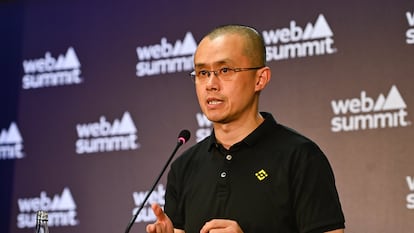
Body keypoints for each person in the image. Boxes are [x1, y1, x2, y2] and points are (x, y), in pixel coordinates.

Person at [146, 24, 345, 233]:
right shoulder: (183, 167)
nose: (210, 84)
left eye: (224, 70)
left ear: (260, 79)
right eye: (202, 72)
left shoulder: (301, 157)